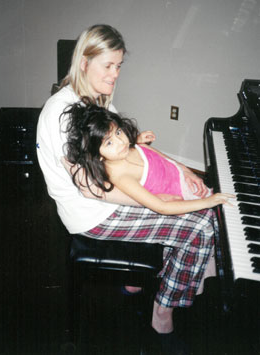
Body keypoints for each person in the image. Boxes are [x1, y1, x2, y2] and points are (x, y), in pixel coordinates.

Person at [36, 24, 223, 355]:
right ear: (83, 62)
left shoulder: (97, 100)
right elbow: (91, 189)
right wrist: (154, 202)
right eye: (107, 66)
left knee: (193, 198)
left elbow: (132, 148)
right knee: (201, 223)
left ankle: (137, 280)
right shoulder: (65, 114)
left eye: (119, 66)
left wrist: (181, 170)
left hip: (110, 195)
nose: (115, 75)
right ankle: (162, 311)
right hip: (92, 213)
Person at [62, 100, 232, 216]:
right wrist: (209, 202)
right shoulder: (120, 177)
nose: (120, 141)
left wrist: (187, 171)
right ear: (97, 155)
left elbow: (162, 159)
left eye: (118, 132)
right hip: (181, 198)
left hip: (185, 180)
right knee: (220, 217)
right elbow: (162, 207)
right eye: (109, 143)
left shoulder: (130, 147)